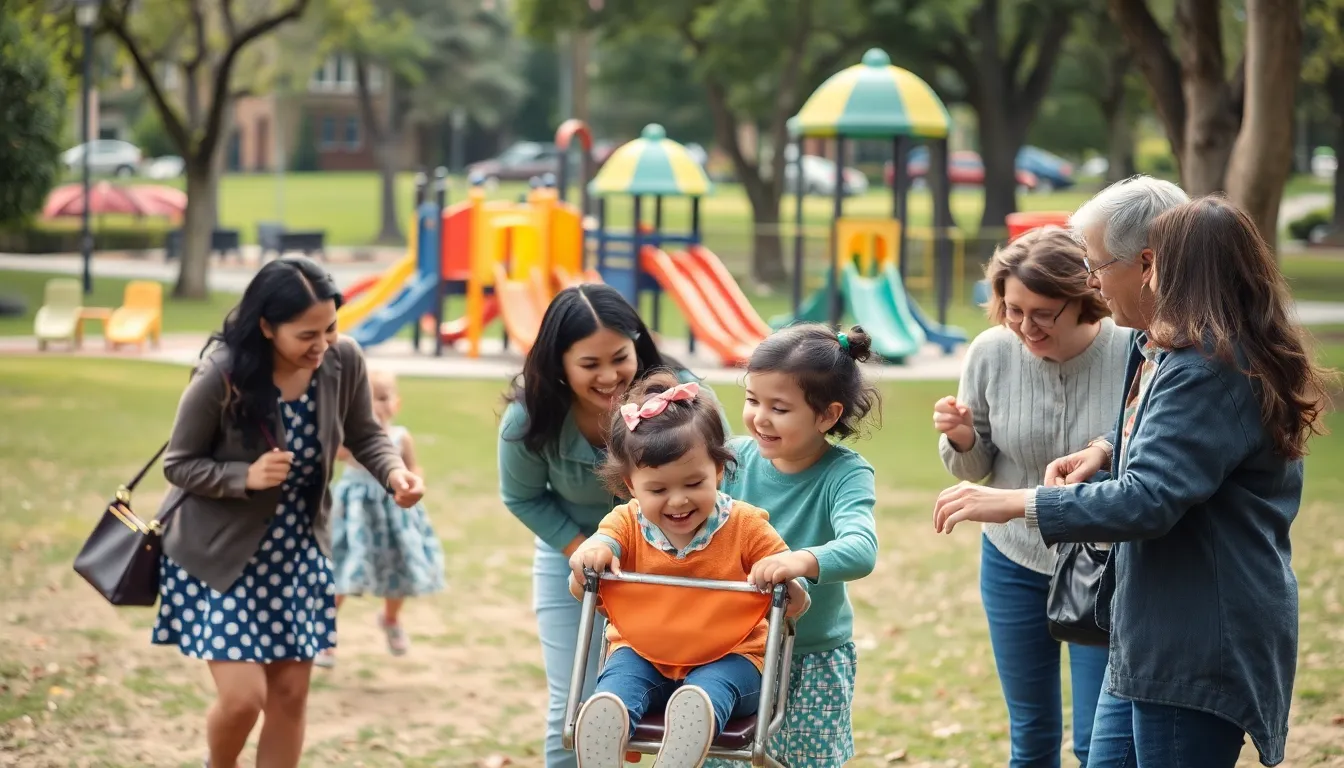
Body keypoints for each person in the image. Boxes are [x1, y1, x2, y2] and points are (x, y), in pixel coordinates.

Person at [932, 194, 1335, 767]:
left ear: (1156, 265)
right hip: (1150, 632)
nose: (1094, 281)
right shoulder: (1168, 351)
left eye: (1097, 264)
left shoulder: (1208, 367)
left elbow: (1149, 498)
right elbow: (1175, 444)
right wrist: (1105, 448)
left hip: (1193, 636)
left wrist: (1019, 502)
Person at [151, 257, 426, 768]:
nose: (322, 344)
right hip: (222, 558)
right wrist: (243, 476)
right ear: (266, 326)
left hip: (297, 556)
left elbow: (365, 432)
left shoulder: (343, 360)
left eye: (330, 328)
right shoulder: (223, 373)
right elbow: (179, 463)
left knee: (289, 696)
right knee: (243, 700)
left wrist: (394, 473)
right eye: (306, 335)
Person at [497, 283, 728, 768]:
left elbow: (724, 477)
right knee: (575, 705)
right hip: (578, 561)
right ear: (559, 364)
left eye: (620, 358)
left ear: (637, 345)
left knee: (690, 700)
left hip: (682, 564)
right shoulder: (530, 417)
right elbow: (522, 497)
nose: (609, 376)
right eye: (589, 364)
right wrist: (588, 554)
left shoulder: (683, 398)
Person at [933, 227, 1132, 767]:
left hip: (1105, 563)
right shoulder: (991, 352)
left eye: (1042, 313)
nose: (1025, 326)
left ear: (1084, 297)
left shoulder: (1129, 349)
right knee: (1032, 733)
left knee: (1099, 740)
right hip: (1012, 559)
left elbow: (1146, 454)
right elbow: (975, 467)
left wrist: (1103, 454)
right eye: (1013, 310)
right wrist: (963, 437)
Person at [566, 373, 810, 768]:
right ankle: (605, 731)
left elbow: (796, 603)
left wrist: (782, 577)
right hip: (643, 651)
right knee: (618, 686)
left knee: (708, 691)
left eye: (694, 483)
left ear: (718, 470)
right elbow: (585, 576)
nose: (678, 501)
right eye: (658, 490)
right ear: (631, 486)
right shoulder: (624, 523)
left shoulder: (746, 526)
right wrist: (591, 555)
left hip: (731, 656)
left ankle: (688, 735)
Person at [706, 323, 880, 768]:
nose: (760, 418)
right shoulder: (731, 461)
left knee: (804, 762)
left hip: (811, 656)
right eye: (752, 400)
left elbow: (861, 547)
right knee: (719, 756)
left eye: (779, 408)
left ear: (827, 415)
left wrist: (799, 560)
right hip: (729, 649)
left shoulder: (845, 474)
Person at [318, 368, 446, 669]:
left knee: (397, 569)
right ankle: (325, 635)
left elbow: (414, 468)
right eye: (369, 399)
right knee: (343, 572)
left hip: (393, 514)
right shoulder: (351, 437)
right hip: (355, 515)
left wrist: (414, 483)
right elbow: (335, 453)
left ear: (396, 403)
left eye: (384, 397)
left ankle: (390, 618)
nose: (378, 405)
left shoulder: (401, 437)